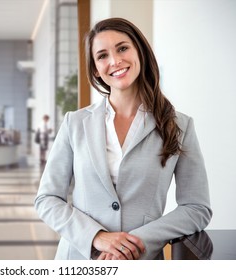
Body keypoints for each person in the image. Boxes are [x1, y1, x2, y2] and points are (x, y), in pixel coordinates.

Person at [34, 18, 212, 260]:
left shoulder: (180, 125)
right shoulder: (74, 123)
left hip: (142, 261)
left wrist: (133, 244)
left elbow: (196, 208)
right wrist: (96, 237)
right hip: (78, 259)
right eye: (102, 56)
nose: (115, 61)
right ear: (96, 69)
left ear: (139, 51)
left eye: (122, 48)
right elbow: (47, 199)